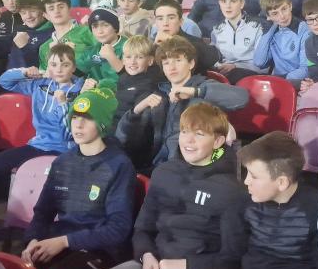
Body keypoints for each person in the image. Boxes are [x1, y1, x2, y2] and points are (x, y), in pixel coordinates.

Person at [96, 103, 247, 269]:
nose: (188, 140)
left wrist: (186, 266)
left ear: (217, 141)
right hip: (155, 262)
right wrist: (146, 256)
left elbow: (235, 256)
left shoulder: (232, 190)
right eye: (184, 132)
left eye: (199, 134)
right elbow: (143, 228)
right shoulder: (164, 173)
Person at [22, 88, 137, 269]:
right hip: (60, 241)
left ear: (102, 124)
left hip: (100, 250)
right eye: (74, 117)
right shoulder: (62, 162)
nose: (78, 124)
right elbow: (43, 212)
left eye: (87, 118)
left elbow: (118, 228)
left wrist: (65, 241)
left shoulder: (119, 165)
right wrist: (33, 239)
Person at [217, 132, 318, 269]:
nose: (246, 181)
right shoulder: (242, 204)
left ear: (282, 182)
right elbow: (229, 257)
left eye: (254, 176)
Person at [116, 36, 248, 169]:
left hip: (189, 167)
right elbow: (124, 137)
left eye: (178, 60)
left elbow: (241, 97)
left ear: (191, 64)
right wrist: (135, 112)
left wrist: (194, 92)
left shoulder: (203, 88)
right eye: (166, 63)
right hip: (156, 165)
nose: (172, 67)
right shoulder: (158, 93)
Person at [0, 44, 84, 196]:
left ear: (73, 67)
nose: (59, 70)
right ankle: (18, 198)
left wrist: (63, 103)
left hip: (65, 149)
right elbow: (4, 81)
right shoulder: (40, 84)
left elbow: (68, 133)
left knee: (49, 181)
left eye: (65, 65)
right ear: (48, 66)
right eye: (54, 65)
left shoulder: (82, 91)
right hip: (38, 145)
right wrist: (25, 72)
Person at [114, 36, 161, 165]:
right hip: (114, 132)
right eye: (128, 57)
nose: (133, 62)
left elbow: (140, 128)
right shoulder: (123, 79)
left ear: (150, 61)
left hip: (129, 145)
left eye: (139, 57)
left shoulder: (150, 84)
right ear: (123, 59)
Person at [254, 0, 311, 87]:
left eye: (284, 9)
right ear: (268, 16)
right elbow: (259, 62)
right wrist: (270, 31)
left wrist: (282, 81)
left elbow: (306, 69)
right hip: (277, 80)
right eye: (275, 13)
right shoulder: (272, 31)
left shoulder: (305, 30)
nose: (282, 16)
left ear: (290, 6)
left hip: (297, 82)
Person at [210, 0, 266, 84]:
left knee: (233, 75)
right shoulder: (217, 29)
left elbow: (262, 64)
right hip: (225, 71)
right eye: (224, 1)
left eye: (233, 1)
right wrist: (218, 66)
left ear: (242, 4)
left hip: (250, 72)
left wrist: (235, 66)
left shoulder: (257, 27)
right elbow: (215, 59)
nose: (228, 6)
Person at [152, 0, 221, 75]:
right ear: (155, 22)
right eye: (160, 19)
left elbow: (212, 57)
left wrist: (173, 41)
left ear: (181, 21)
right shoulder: (152, 45)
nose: (165, 23)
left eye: (171, 18)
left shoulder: (193, 41)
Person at [36, 0, 95, 64]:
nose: (57, 11)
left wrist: (77, 51)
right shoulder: (44, 48)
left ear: (69, 9)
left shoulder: (88, 32)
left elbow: (102, 59)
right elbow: (44, 71)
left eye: (61, 7)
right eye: (51, 8)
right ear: (46, 15)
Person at [75, 9, 126, 90]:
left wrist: (111, 57)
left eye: (105, 25)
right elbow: (74, 73)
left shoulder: (129, 47)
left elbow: (132, 79)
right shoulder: (92, 51)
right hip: (95, 94)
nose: (100, 31)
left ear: (115, 27)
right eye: (95, 26)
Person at [7, 0, 54, 69]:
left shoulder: (52, 33)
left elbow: (42, 67)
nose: (28, 16)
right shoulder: (19, 30)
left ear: (42, 10)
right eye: (23, 13)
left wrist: (24, 47)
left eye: (32, 11)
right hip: (10, 75)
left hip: (32, 76)